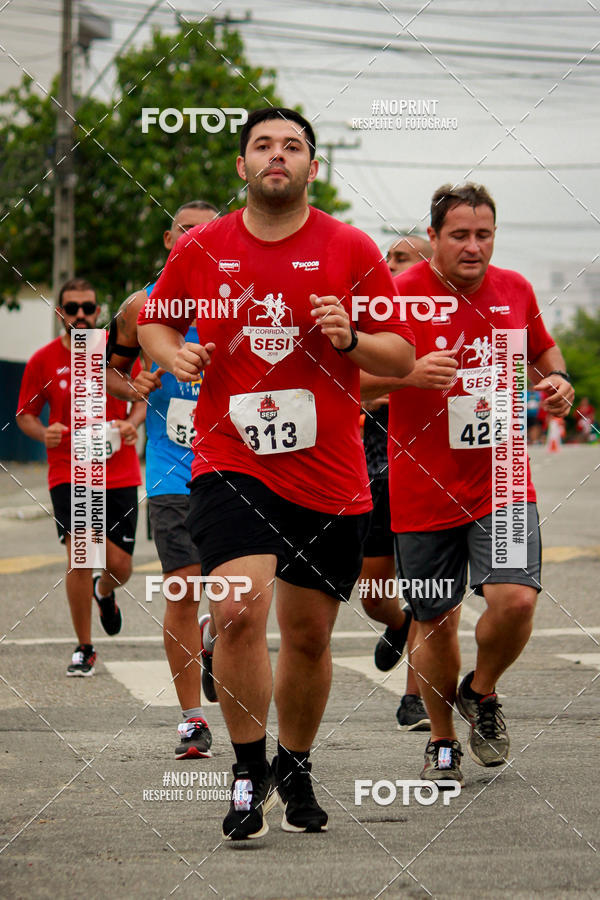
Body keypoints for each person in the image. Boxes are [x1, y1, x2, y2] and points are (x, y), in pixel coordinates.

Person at [137, 107, 415, 840]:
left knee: (310, 637)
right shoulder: (204, 247)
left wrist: (351, 337)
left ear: (311, 168)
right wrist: (174, 355)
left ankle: (295, 764)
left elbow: (400, 357)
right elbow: (152, 321)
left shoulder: (350, 247)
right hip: (230, 461)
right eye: (263, 144)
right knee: (235, 610)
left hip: (328, 475)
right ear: (243, 166)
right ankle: (246, 767)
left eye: (293, 146)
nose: (277, 155)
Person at [362, 183, 574, 786]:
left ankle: (480, 693)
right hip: (422, 489)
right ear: (433, 237)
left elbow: (546, 354)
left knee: (516, 600)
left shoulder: (515, 290)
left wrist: (559, 384)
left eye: (484, 235)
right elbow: (349, 389)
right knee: (435, 619)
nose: (474, 247)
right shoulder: (397, 296)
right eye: (460, 235)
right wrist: (407, 379)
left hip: (501, 479)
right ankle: (442, 738)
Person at [106, 200, 219, 760]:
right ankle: (191, 719)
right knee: (184, 586)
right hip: (172, 471)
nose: (195, 238)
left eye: (207, 230)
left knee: (240, 600)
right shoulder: (141, 306)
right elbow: (103, 367)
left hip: (237, 468)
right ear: (169, 237)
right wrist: (130, 390)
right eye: (185, 229)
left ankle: (217, 640)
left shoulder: (241, 300)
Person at [16, 278, 143, 676]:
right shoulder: (43, 360)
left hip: (119, 472)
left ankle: (105, 591)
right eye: (73, 309)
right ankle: (84, 647)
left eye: (88, 308)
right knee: (81, 554)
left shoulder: (114, 353)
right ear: (60, 314)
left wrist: (131, 424)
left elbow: (139, 398)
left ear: (97, 311)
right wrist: (43, 433)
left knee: (120, 565)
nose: (82, 315)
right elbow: (25, 415)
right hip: (69, 471)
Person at [360, 235, 431, 732]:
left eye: (402, 258)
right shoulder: (373, 318)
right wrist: (391, 383)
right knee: (373, 594)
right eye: (388, 258)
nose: (390, 266)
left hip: (427, 471)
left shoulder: (447, 321)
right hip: (373, 467)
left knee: (428, 591)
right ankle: (397, 624)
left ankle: (415, 697)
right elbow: (344, 383)